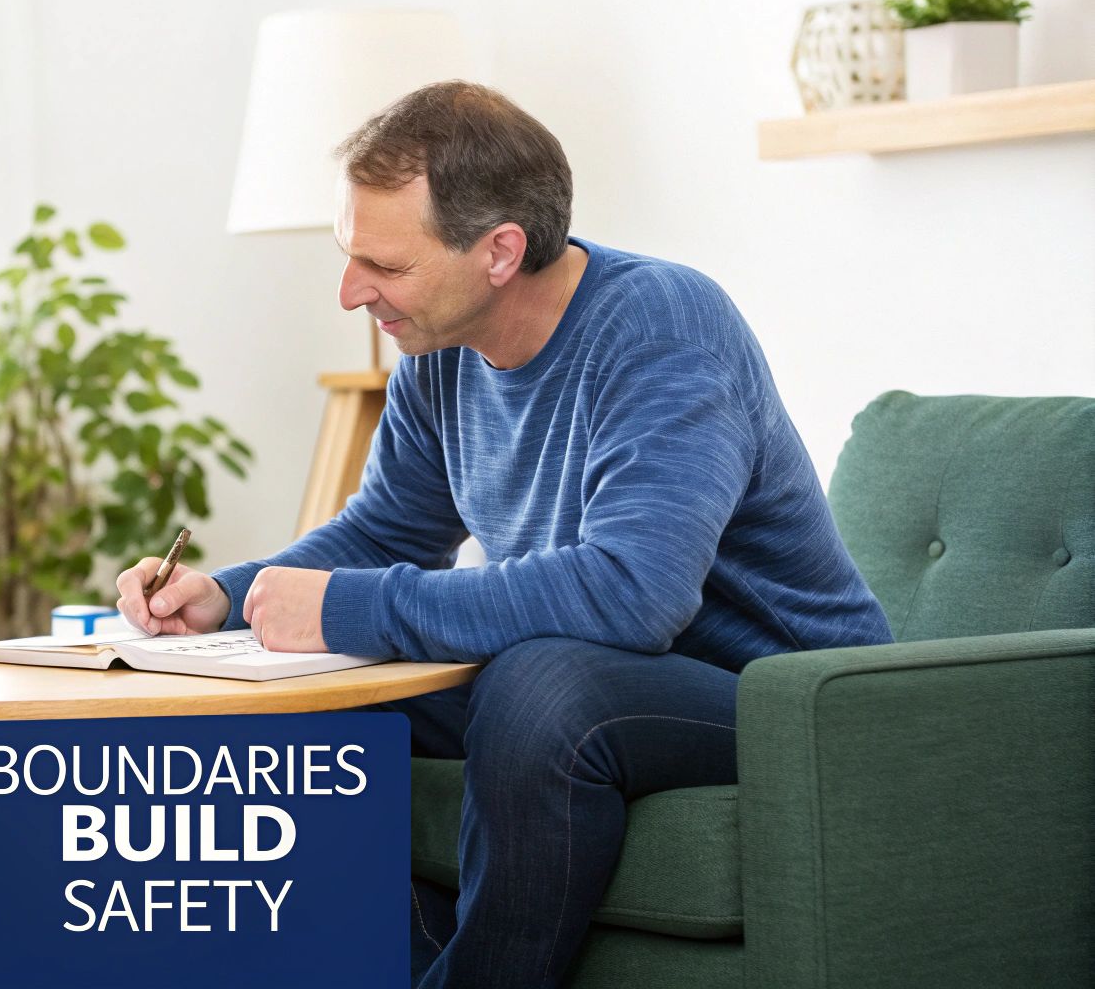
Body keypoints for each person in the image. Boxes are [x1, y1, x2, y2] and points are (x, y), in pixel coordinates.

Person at [115, 82, 891, 988]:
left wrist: (349, 608)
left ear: (499, 251)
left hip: (787, 695)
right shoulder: (439, 353)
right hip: (613, 672)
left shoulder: (664, 327)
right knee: (287, 707)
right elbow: (388, 529)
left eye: (385, 265)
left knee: (541, 682)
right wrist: (228, 595)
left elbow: (635, 593)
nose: (351, 292)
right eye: (349, 256)